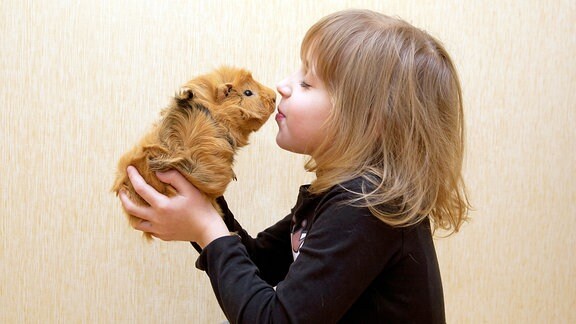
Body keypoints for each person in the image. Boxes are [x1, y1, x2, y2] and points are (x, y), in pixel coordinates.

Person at [119, 9, 470, 323]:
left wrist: (207, 228)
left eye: (306, 82)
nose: (283, 86)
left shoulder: (367, 207)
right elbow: (257, 263)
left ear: (368, 119)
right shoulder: (339, 197)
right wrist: (199, 201)